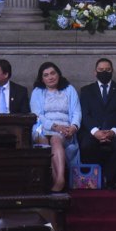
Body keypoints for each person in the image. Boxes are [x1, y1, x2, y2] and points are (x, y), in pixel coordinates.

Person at [78, 58, 116, 189]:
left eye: (107, 69)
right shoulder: (86, 90)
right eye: (101, 70)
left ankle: (108, 176)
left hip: (115, 131)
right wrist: (96, 132)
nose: (104, 72)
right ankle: (96, 177)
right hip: (94, 131)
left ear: (112, 71)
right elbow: (84, 114)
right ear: (95, 72)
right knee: (85, 146)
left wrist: (113, 131)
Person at [30, 62, 81, 193]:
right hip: (43, 126)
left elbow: (76, 111)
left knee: (55, 140)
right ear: (42, 79)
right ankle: (57, 179)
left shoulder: (69, 89)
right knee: (43, 139)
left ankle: (59, 179)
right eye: (46, 75)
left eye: (53, 73)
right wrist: (54, 126)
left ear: (58, 74)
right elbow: (37, 115)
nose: (50, 77)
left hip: (65, 128)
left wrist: (74, 127)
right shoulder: (37, 92)